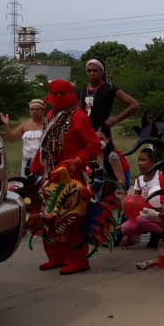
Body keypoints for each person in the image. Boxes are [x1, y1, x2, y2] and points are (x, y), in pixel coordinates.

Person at [30, 79, 101, 274]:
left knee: (71, 220)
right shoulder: (52, 115)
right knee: (48, 220)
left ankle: (78, 260)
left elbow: (94, 146)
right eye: (55, 94)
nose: (58, 98)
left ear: (70, 95)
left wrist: (77, 161)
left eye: (62, 94)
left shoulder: (79, 117)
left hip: (72, 178)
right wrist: (37, 166)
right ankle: (55, 257)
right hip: (50, 176)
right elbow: (46, 145)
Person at [121, 147, 164, 248]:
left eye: (143, 160)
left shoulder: (161, 175)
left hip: (162, 215)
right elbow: (133, 204)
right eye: (139, 160)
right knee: (125, 228)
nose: (139, 163)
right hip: (144, 215)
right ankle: (135, 237)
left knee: (140, 220)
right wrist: (127, 235)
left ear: (153, 162)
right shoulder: (139, 180)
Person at [78, 58, 140, 132]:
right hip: (85, 133)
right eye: (89, 71)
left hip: (102, 134)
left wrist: (116, 119)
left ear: (102, 72)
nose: (92, 73)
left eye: (95, 70)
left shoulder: (110, 88)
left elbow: (134, 105)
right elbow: (80, 111)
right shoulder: (83, 90)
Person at [0, 99, 48, 175]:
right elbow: (11, 139)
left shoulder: (48, 123)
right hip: (27, 162)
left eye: (37, 109)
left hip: (43, 163)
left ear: (43, 111)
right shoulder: (25, 124)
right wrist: (6, 125)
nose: (34, 111)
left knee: (42, 185)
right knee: (27, 185)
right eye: (32, 109)